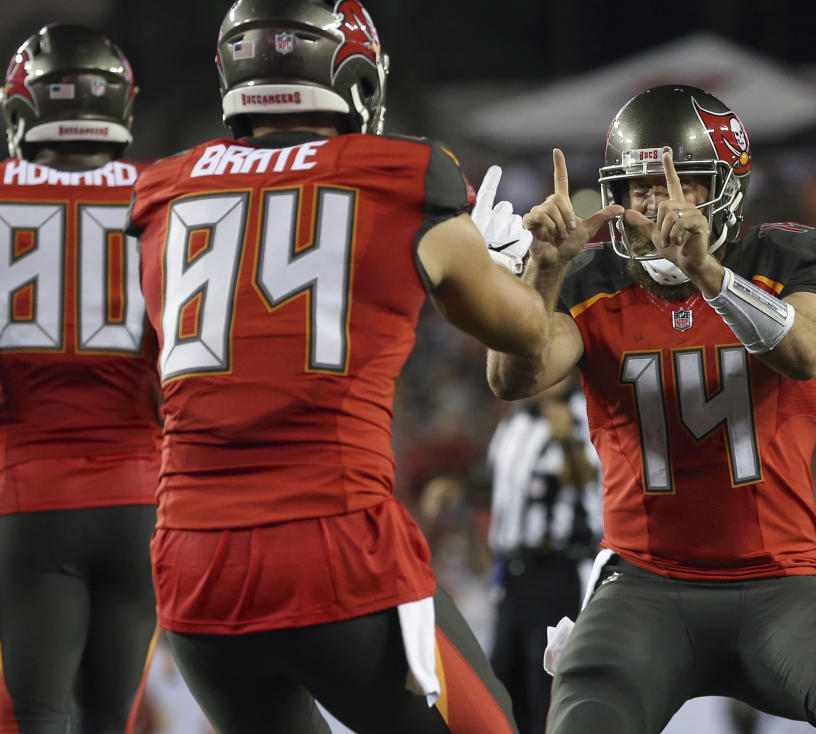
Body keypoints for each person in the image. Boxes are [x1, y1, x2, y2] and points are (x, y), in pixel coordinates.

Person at [125, 2, 621, 733]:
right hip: (334, 545)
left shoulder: (163, 190)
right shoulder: (401, 176)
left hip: (192, 562)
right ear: (355, 78)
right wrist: (532, 265)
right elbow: (522, 335)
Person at [487, 84, 816, 734]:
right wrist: (541, 274)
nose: (656, 204)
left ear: (727, 187)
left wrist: (709, 272)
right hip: (646, 583)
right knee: (584, 718)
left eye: (679, 183)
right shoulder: (592, 278)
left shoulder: (787, 255)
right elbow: (514, 379)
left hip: (779, 580)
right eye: (640, 187)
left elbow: (806, 352)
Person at [0, 24, 159, 734]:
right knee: (112, 719)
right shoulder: (168, 192)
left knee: (34, 715)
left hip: (25, 496)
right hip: (143, 496)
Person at [486, 375, 602, 734]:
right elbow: (500, 487)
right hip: (513, 575)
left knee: (549, 689)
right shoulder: (515, 423)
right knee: (502, 689)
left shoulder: (584, 415)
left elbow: (586, 479)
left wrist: (567, 439)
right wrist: (456, 488)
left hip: (561, 571)